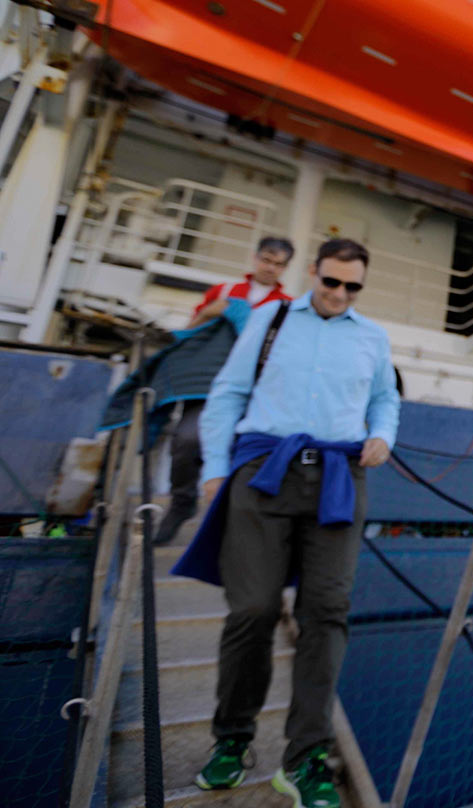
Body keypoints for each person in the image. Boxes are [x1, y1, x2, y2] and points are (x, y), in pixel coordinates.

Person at [177, 237, 399, 808]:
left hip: (339, 477)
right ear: (312, 273)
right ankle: (232, 740)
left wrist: (383, 435)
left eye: (353, 287)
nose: (340, 294)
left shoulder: (372, 336)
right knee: (250, 609)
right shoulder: (271, 319)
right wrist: (216, 468)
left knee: (326, 612)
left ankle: (303, 762)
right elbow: (227, 393)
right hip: (263, 470)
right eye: (331, 282)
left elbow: (385, 400)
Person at [154, 236, 296, 544]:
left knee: (246, 455)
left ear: (286, 268)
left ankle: (229, 522)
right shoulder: (224, 292)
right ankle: (181, 503)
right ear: (255, 257)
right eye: (266, 260)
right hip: (207, 386)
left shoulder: (289, 307)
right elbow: (190, 332)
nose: (270, 268)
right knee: (186, 440)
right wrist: (209, 312)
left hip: (254, 393)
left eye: (278, 264)